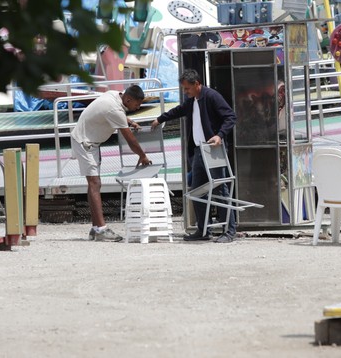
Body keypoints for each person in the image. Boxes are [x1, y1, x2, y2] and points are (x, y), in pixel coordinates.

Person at [151, 69, 237, 243]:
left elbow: (230, 116)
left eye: (187, 89)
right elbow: (179, 110)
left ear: (197, 84)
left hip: (213, 149)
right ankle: (204, 229)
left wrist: (220, 135)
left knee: (220, 189)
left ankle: (229, 231)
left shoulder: (212, 96)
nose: (185, 92)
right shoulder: (192, 101)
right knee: (197, 190)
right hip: (199, 151)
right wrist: (160, 119)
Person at [72, 85, 151, 241]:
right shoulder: (114, 110)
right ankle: (101, 229)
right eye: (137, 104)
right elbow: (130, 140)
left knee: (94, 184)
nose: (138, 107)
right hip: (85, 142)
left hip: (89, 142)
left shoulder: (115, 95)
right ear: (128, 99)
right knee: (94, 183)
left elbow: (113, 114)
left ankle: (96, 228)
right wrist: (142, 156)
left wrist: (128, 120)